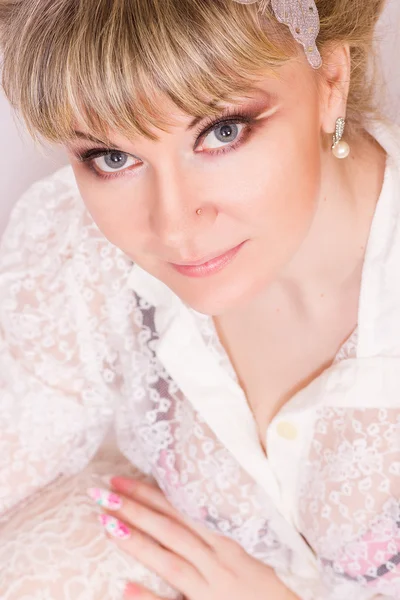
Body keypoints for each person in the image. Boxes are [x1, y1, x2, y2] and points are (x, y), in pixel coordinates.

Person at [0, 0, 398, 598]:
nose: (175, 226)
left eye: (222, 131)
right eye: (114, 157)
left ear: (330, 82)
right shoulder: (76, 246)